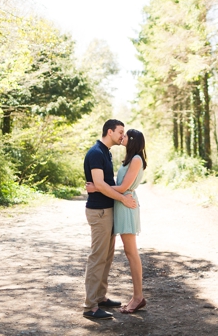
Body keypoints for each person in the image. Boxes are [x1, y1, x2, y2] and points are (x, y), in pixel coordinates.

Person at [82, 119, 137, 321]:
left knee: (106, 256)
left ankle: (100, 297)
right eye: (120, 132)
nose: (123, 136)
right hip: (99, 212)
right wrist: (123, 198)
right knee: (97, 257)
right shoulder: (96, 153)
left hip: (108, 210)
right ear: (109, 131)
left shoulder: (106, 152)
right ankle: (90, 306)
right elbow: (99, 184)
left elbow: (105, 184)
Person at [108, 128, 148, 314]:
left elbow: (124, 187)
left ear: (132, 140)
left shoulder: (137, 159)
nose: (122, 137)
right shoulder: (130, 159)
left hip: (127, 206)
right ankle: (136, 296)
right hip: (122, 205)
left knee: (132, 253)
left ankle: (138, 297)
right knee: (129, 252)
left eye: (126, 135)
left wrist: (98, 187)